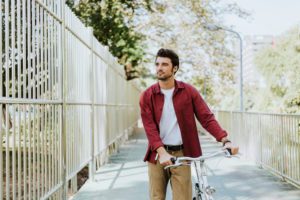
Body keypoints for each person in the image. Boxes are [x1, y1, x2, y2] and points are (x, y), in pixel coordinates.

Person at [139, 48, 239, 200]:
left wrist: (225, 140)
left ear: (175, 68)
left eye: (165, 64)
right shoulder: (147, 95)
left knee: (183, 198)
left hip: (181, 155)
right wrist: (162, 152)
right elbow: (149, 128)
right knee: (156, 197)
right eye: (157, 64)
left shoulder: (188, 91)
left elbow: (206, 118)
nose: (159, 68)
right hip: (157, 155)